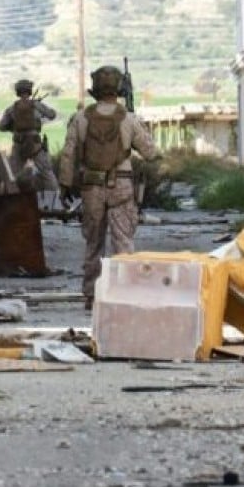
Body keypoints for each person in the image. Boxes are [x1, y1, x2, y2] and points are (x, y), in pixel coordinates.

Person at [58, 65, 159, 310]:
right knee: (123, 242)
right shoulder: (128, 118)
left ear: (95, 89)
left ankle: (92, 295)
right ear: (119, 89)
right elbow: (150, 153)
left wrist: (65, 184)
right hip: (122, 186)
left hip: (91, 187)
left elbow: (68, 154)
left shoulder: (81, 118)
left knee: (93, 243)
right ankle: (124, 295)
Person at [0, 79, 58, 200]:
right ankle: (54, 201)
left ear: (17, 92)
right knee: (47, 173)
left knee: (12, 175)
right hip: (35, 145)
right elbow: (52, 115)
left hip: (19, 144)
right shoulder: (36, 105)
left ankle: (11, 201)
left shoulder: (12, 108)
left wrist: (14, 128)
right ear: (30, 91)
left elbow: (1, 126)